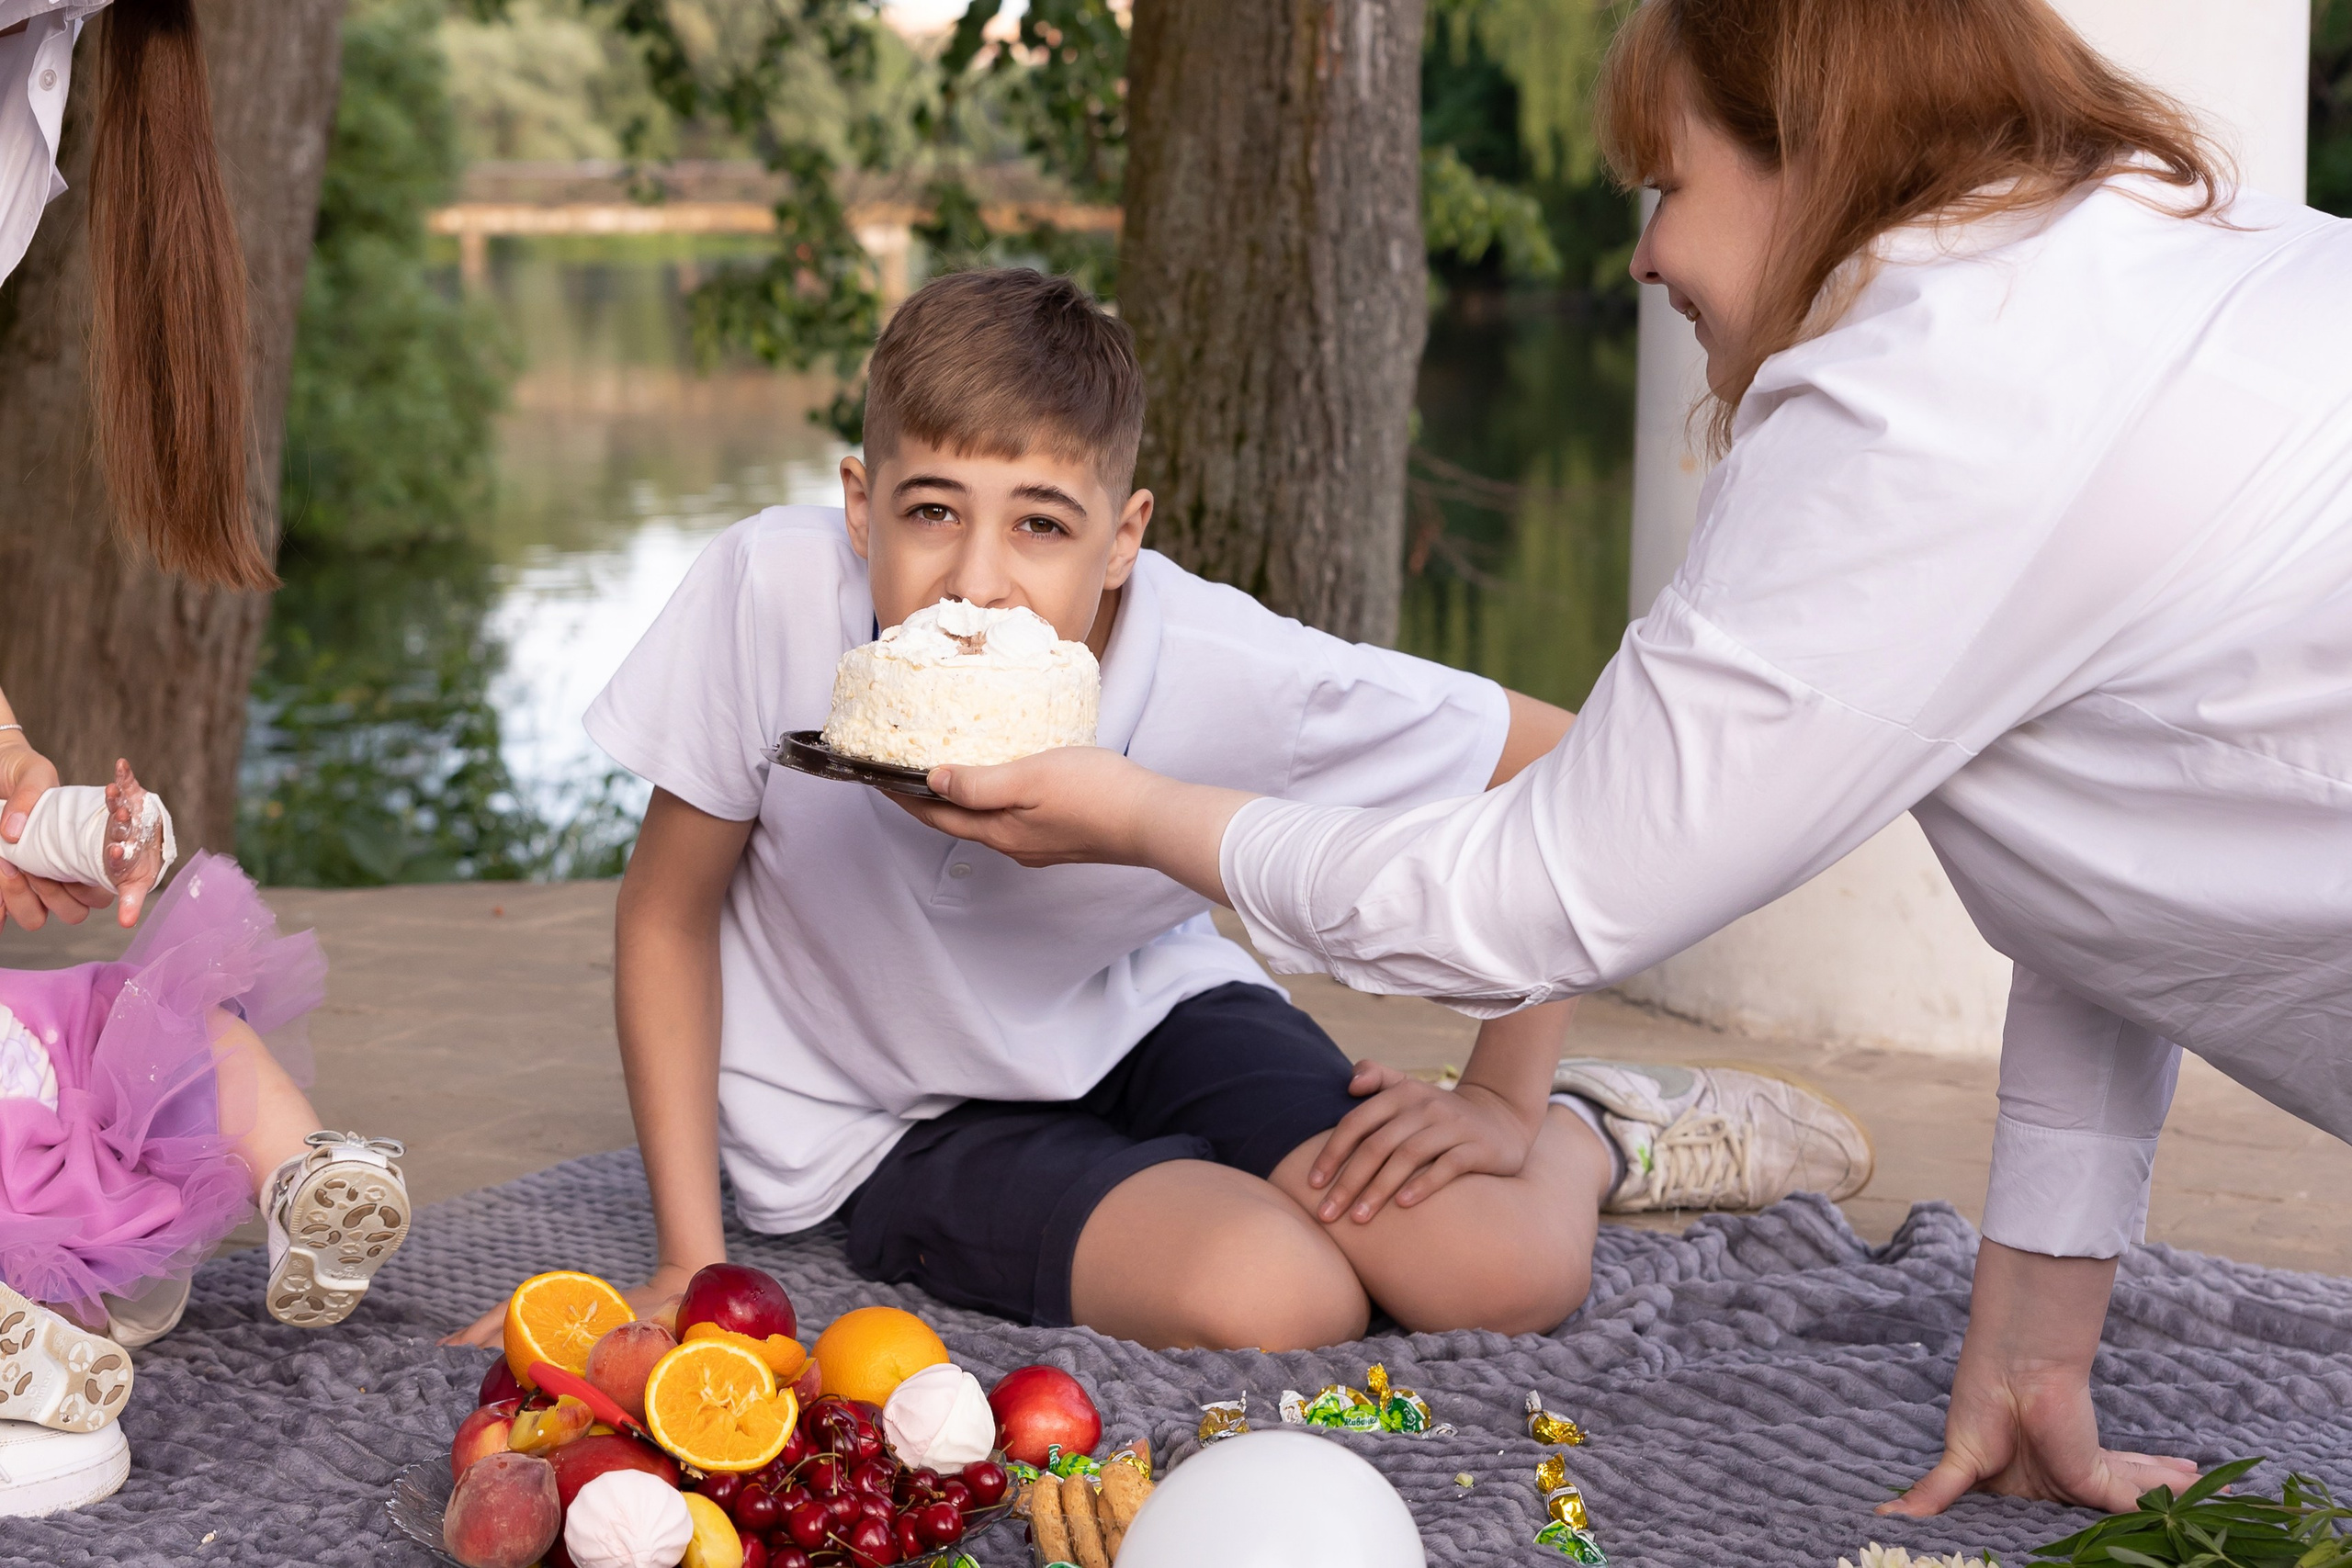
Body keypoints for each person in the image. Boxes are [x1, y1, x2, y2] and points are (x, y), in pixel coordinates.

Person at [892, 0, 2352, 1522]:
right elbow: (2103, 881)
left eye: (1672, 184)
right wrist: (2034, 1348)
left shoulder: (1916, 413)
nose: (1648, 255)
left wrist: (1130, 812)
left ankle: (1602, 1135)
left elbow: (1529, 897)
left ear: (1817, 150)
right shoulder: (2130, 270)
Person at [448, 268, 1870, 1356]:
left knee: (1489, 1276)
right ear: (860, 506)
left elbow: (1566, 770)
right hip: (878, 1116)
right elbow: (668, 915)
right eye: (933, 511)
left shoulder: (1227, 665)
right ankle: (1201, 1190)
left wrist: (1498, 1093)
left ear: (1124, 539)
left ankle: (1590, 1131)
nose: (979, 583)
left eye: (1044, 525)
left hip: (1146, 1005)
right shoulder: (765, 597)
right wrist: (694, 1261)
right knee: (1280, 1294)